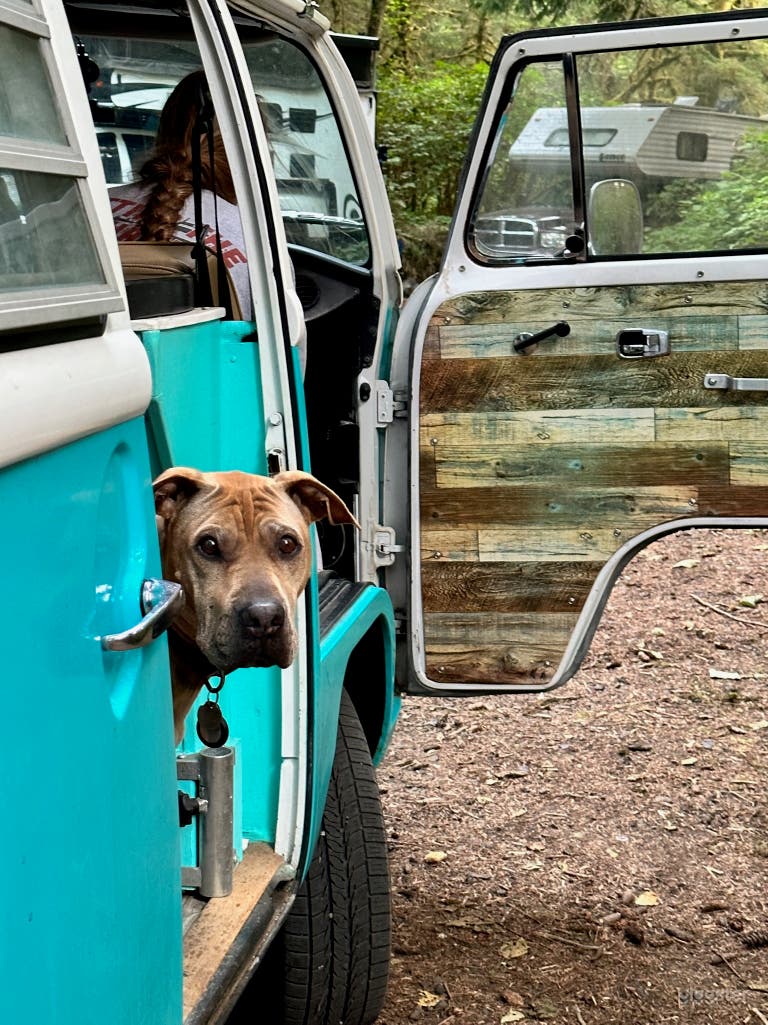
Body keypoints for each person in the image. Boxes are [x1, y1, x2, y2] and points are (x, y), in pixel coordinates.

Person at [110, 69, 252, 320]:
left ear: (165, 130)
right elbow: (287, 339)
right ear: (249, 150)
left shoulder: (81, 208)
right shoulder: (256, 238)